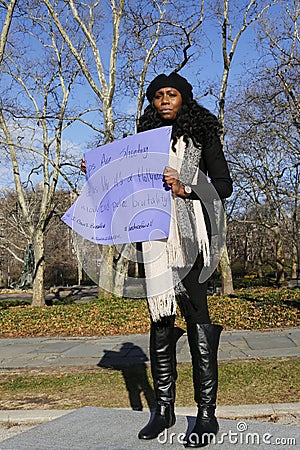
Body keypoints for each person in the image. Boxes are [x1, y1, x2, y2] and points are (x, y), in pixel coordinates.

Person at [136, 72, 233, 448]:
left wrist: (187, 186)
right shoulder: (143, 142)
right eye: (158, 95)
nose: (164, 100)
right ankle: (164, 410)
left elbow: (223, 185)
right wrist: (100, 173)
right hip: (154, 238)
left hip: (192, 239)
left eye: (171, 94)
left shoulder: (203, 135)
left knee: (197, 319)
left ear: (184, 98)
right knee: (160, 319)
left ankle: (206, 415)